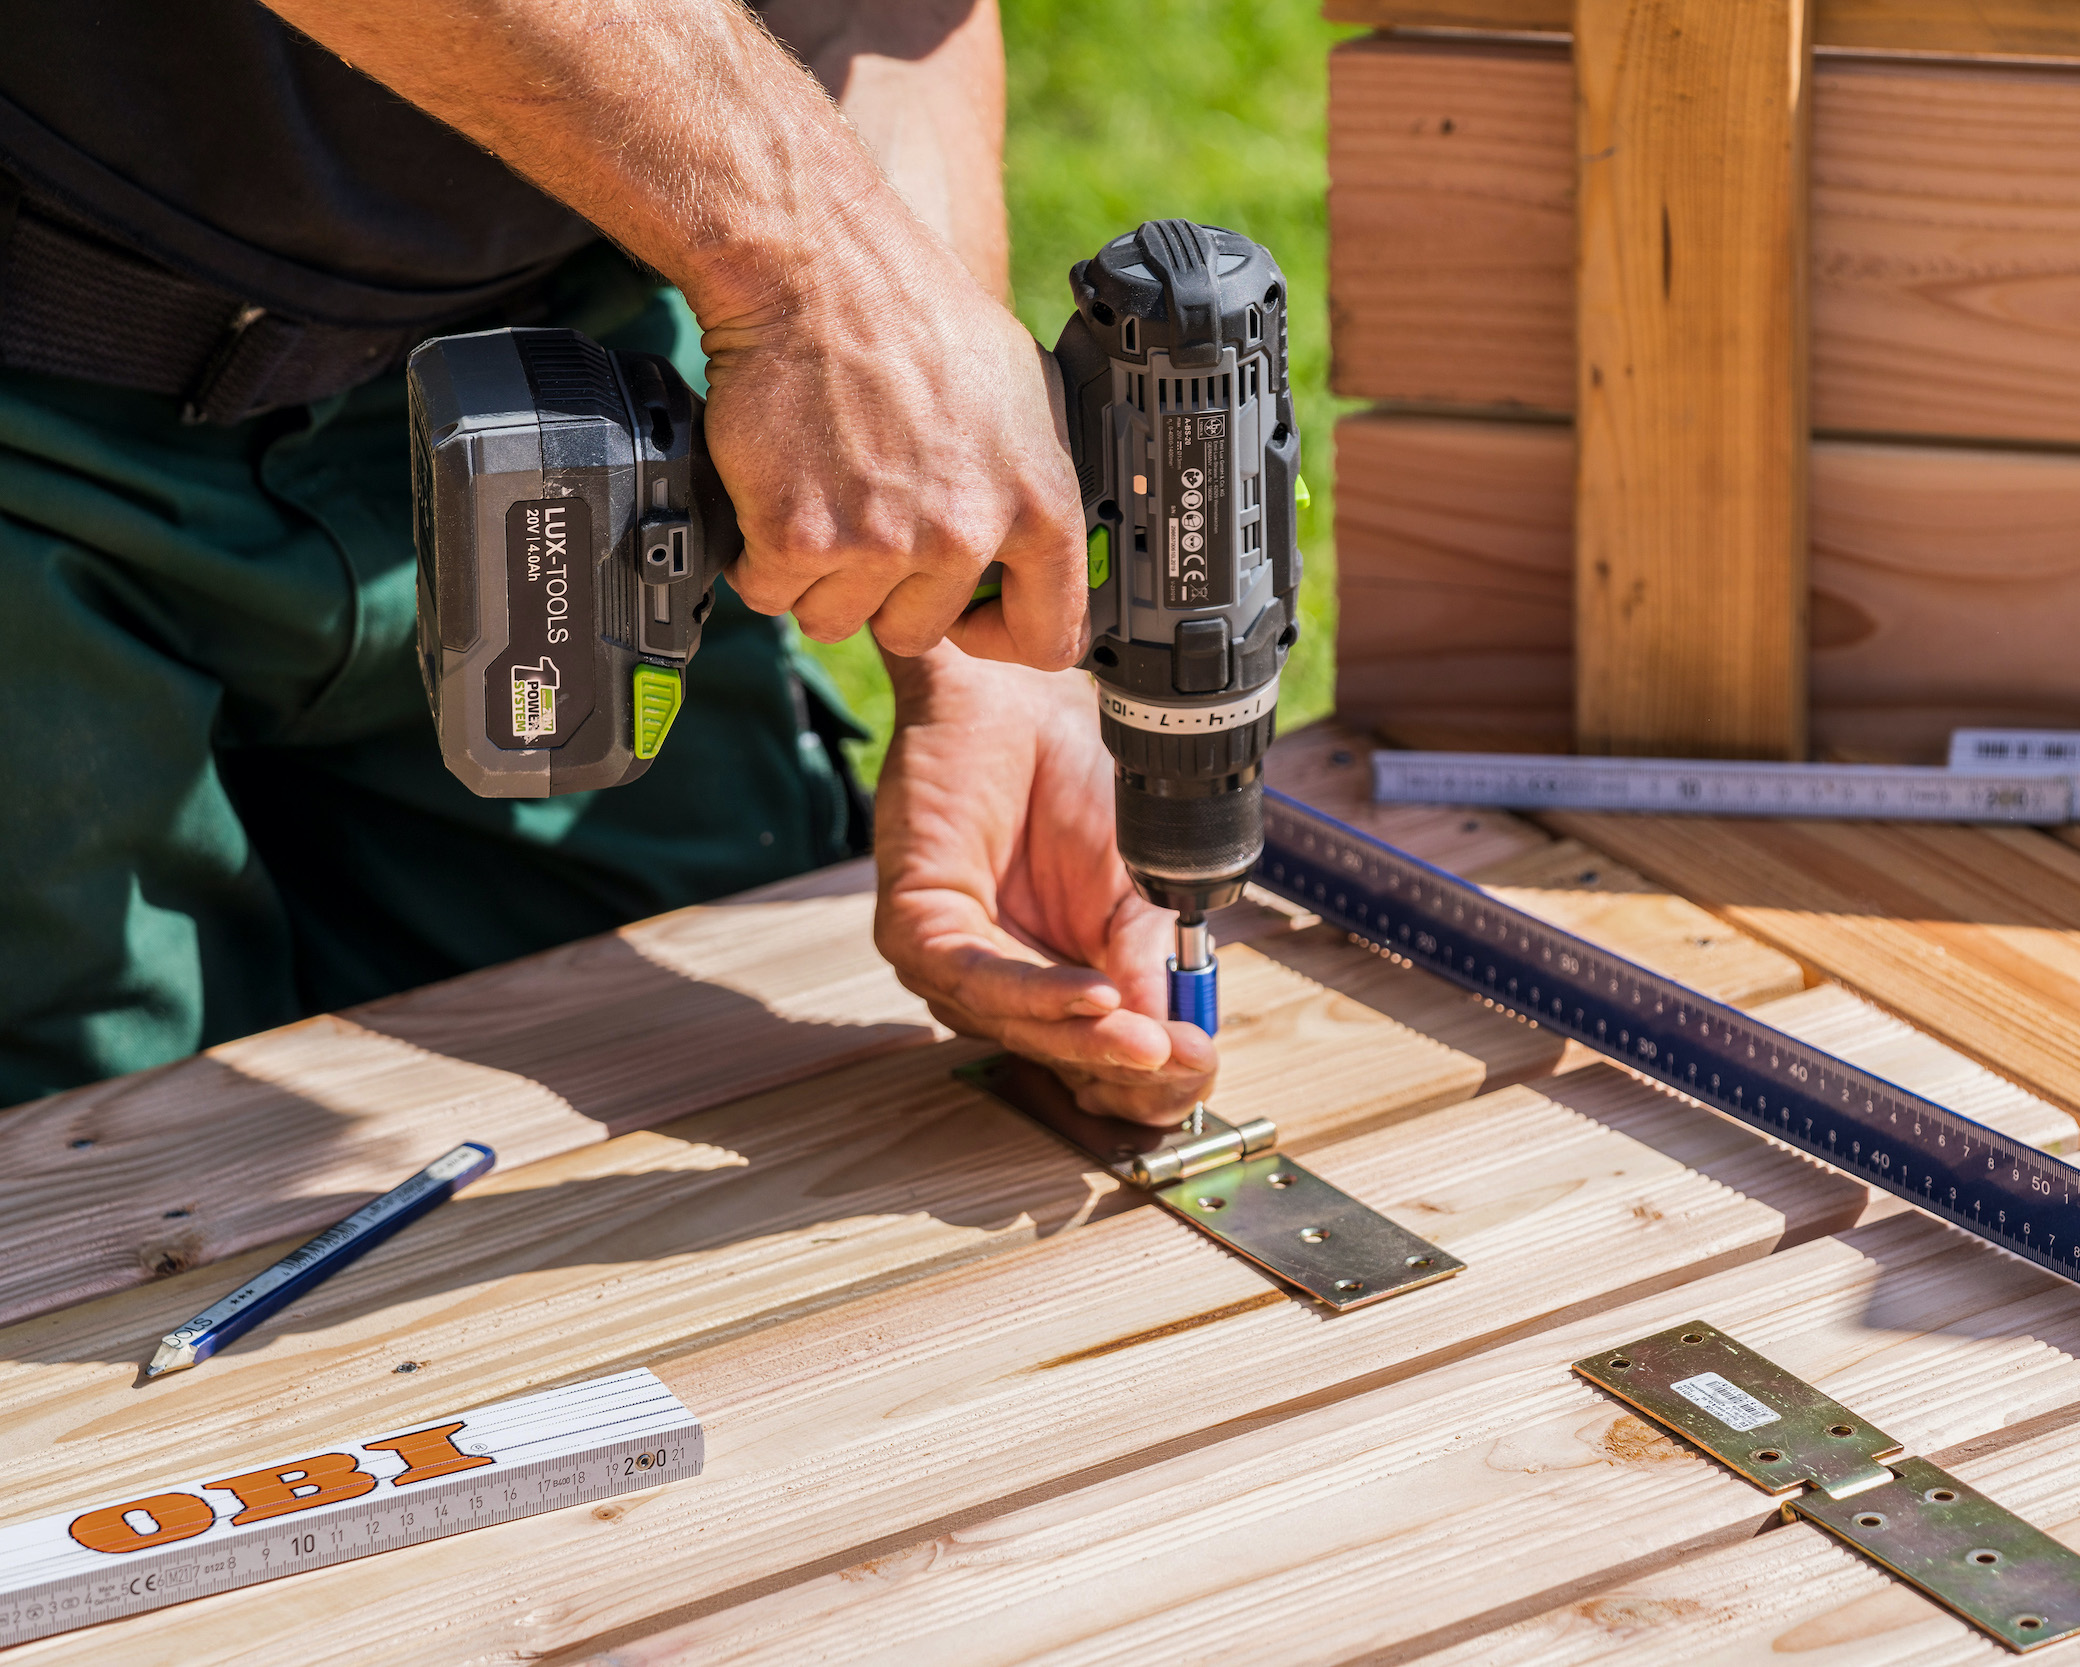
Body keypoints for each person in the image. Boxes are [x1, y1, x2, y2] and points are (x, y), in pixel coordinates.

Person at [0, 0, 1215, 1122]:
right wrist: (808, 257)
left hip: (549, 362)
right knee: (84, 1177)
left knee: (720, 1077)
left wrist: (959, 617)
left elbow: (880, 15)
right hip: (39, 373)